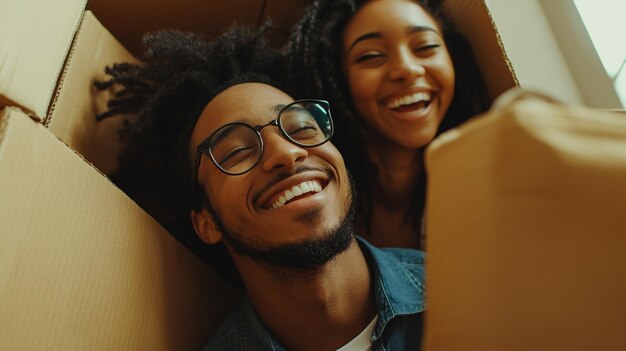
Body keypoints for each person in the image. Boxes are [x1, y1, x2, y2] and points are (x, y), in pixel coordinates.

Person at [97, 25, 426, 350]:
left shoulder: (462, 285)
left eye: (301, 127)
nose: (287, 152)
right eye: (236, 151)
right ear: (207, 223)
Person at [287, 0, 491, 249]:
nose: (407, 69)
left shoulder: (486, 185)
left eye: (425, 46)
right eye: (371, 56)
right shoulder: (316, 200)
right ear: (337, 80)